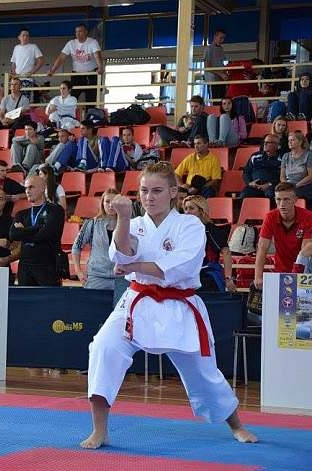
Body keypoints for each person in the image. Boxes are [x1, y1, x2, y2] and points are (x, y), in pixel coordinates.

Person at [81, 161, 257, 450]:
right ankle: (99, 429)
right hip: (136, 302)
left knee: (204, 374)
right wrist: (123, 217)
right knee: (103, 348)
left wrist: (134, 266)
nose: (149, 197)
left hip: (179, 305)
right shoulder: (135, 224)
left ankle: (236, 424)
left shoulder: (190, 225)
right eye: (144, 191)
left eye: (157, 191)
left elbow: (179, 265)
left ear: (173, 192)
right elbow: (121, 255)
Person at [9, 175, 65, 286]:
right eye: (26, 188)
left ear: (43, 188)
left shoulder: (55, 210)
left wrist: (23, 231)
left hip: (47, 266)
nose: (27, 191)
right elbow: (13, 235)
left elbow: (46, 234)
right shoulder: (21, 214)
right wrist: (38, 228)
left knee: (48, 297)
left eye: (31, 187)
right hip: (25, 267)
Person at [254, 182, 312, 288]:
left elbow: (305, 251)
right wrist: (258, 277)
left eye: (286, 199)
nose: (282, 204)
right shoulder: (270, 217)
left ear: (295, 200)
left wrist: (295, 276)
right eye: (278, 199)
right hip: (280, 270)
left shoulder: (308, 217)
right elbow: (262, 248)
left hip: (303, 271)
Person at [182, 195, 236, 293]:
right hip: (187, 275)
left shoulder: (211, 229)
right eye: (185, 209)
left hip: (207, 274)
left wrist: (228, 278)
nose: (187, 212)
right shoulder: (183, 231)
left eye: (191, 208)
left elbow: (226, 253)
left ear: (201, 211)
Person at [71, 188, 118, 290]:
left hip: (120, 278)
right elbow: (76, 247)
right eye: (107, 201)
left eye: (114, 202)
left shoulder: (128, 224)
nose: (111, 205)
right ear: (102, 203)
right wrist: (78, 271)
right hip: (96, 277)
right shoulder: (91, 223)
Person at [48, 24, 104, 106]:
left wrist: (100, 67)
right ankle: (69, 113)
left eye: (80, 31)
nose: (78, 33)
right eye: (76, 32)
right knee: (72, 98)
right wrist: (53, 70)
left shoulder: (92, 42)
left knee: (91, 99)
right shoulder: (71, 43)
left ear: (86, 32)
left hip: (91, 74)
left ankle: (90, 113)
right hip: (77, 75)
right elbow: (61, 57)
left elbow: (97, 55)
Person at [240, 134, 280, 200]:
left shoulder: (281, 158)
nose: (265, 144)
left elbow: (281, 176)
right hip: (255, 185)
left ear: (276, 145)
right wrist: (250, 183)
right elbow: (246, 172)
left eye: (268, 142)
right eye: (264, 142)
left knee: (271, 193)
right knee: (244, 194)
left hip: (271, 186)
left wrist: (270, 184)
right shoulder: (255, 156)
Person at [10, 27, 45, 102]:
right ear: (19, 37)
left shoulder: (33, 47)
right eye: (23, 35)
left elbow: (41, 60)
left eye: (27, 35)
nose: (25, 37)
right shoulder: (16, 48)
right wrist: (13, 73)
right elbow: (13, 63)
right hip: (17, 78)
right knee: (12, 98)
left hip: (27, 79)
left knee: (24, 100)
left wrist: (32, 72)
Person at [279, 131, 312, 205]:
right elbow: (282, 176)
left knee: (290, 195)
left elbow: (310, 176)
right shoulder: (285, 156)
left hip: (303, 185)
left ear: (300, 142)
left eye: (292, 140)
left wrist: (295, 186)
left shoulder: (309, 155)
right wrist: (286, 186)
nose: (289, 142)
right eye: (289, 141)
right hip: (288, 186)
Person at [203, 29, 228, 104]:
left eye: (223, 38)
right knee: (214, 101)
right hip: (212, 80)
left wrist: (225, 72)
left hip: (221, 80)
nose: (222, 40)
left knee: (222, 101)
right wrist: (220, 74)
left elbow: (222, 63)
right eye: (220, 38)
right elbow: (207, 66)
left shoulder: (221, 49)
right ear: (215, 36)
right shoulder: (209, 49)